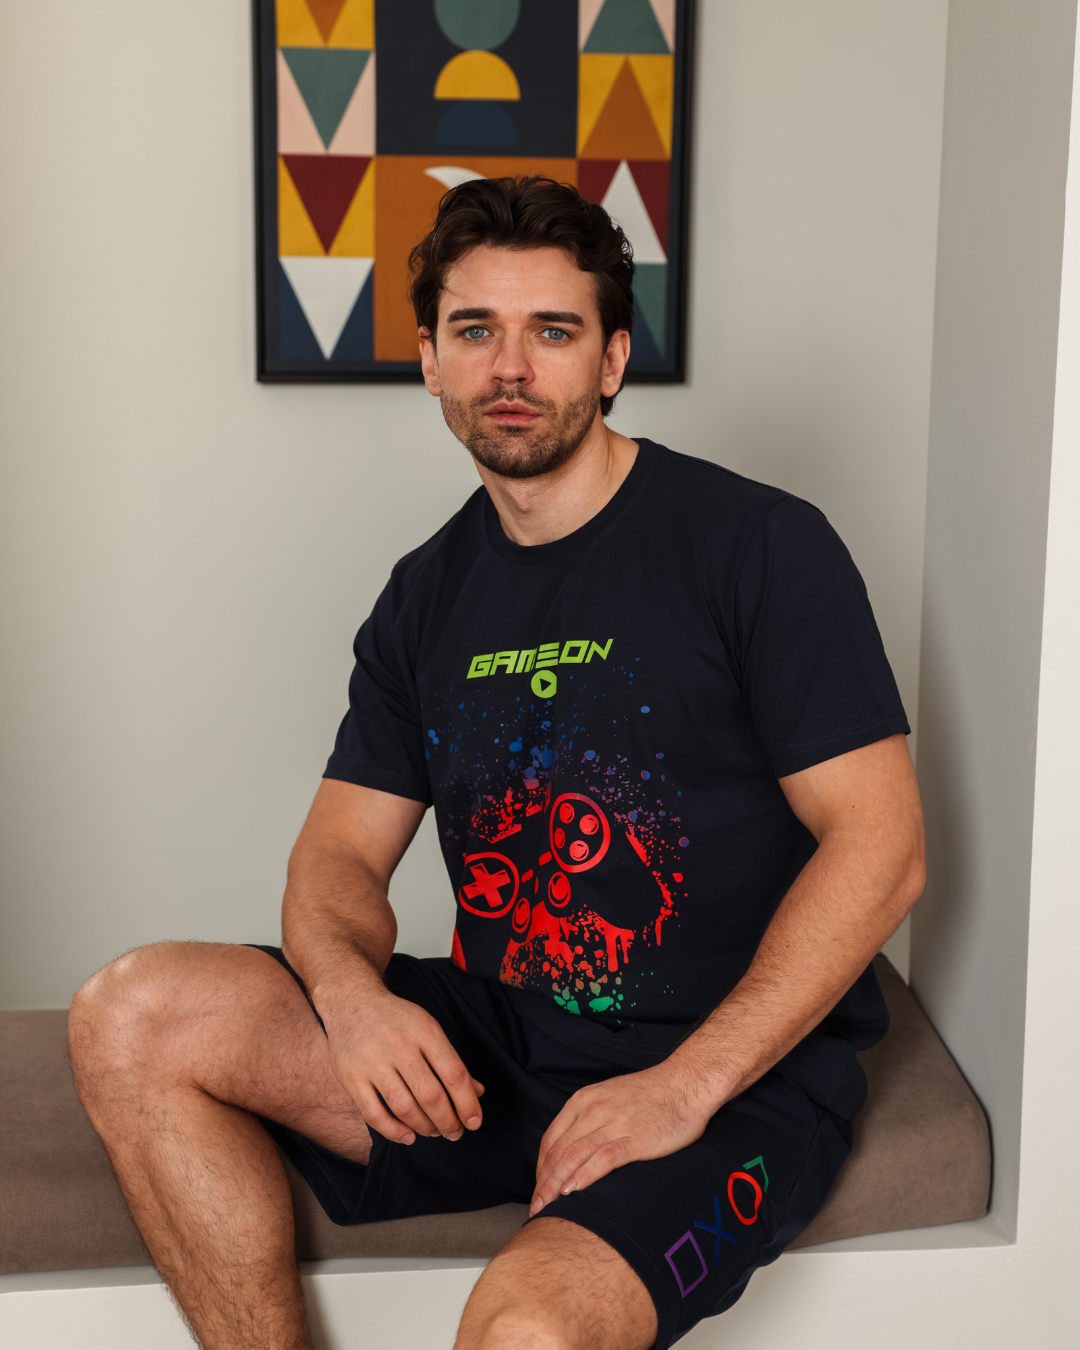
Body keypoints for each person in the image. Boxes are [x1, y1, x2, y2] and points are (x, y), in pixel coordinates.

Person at [68, 176, 925, 1350]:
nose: (510, 367)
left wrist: (682, 1087)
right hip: (507, 1048)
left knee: (528, 1334)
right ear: (430, 360)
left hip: (736, 1073)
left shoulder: (760, 545)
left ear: (611, 360)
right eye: (475, 330)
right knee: (132, 1015)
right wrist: (352, 1001)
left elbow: (883, 846)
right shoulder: (426, 595)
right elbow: (336, 855)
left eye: (553, 332)